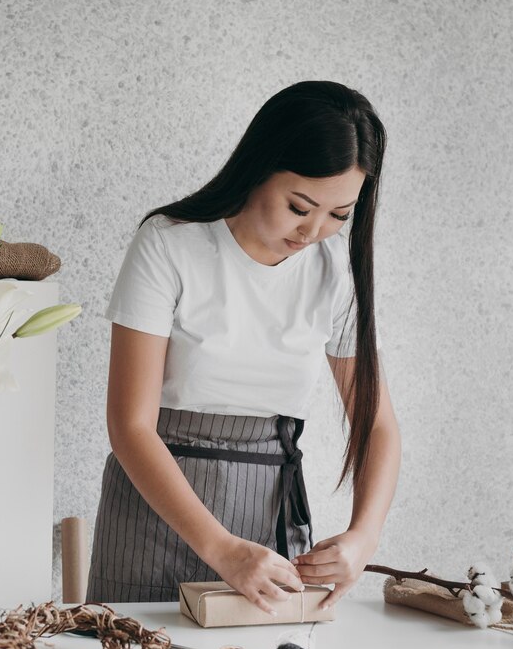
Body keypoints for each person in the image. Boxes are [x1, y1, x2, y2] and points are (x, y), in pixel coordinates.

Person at [85, 80, 402, 615]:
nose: (313, 230)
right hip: (152, 516)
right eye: (299, 206)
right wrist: (222, 549)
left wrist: (363, 537)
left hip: (270, 526)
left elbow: (377, 424)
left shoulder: (334, 273)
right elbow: (130, 427)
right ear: (260, 167)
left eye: (338, 215)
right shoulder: (169, 243)